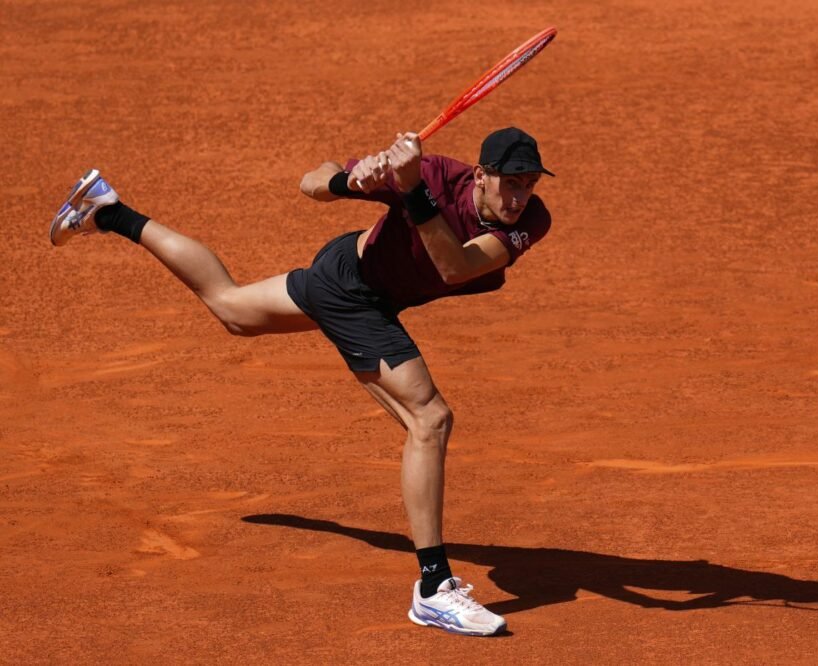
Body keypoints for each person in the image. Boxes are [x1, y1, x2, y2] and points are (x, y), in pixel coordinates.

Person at [48, 127, 554, 637]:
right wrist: (350, 180)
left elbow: (455, 266)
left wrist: (409, 190)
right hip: (354, 292)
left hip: (358, 285)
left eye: (529, 183)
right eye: (510, 183)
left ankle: (108, 211)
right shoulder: (432, 175)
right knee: (430, 418)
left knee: (232, 308)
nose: (519, 197)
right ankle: (433, 588)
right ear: (481, 176)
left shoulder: (529, 218)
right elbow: (310, 182)